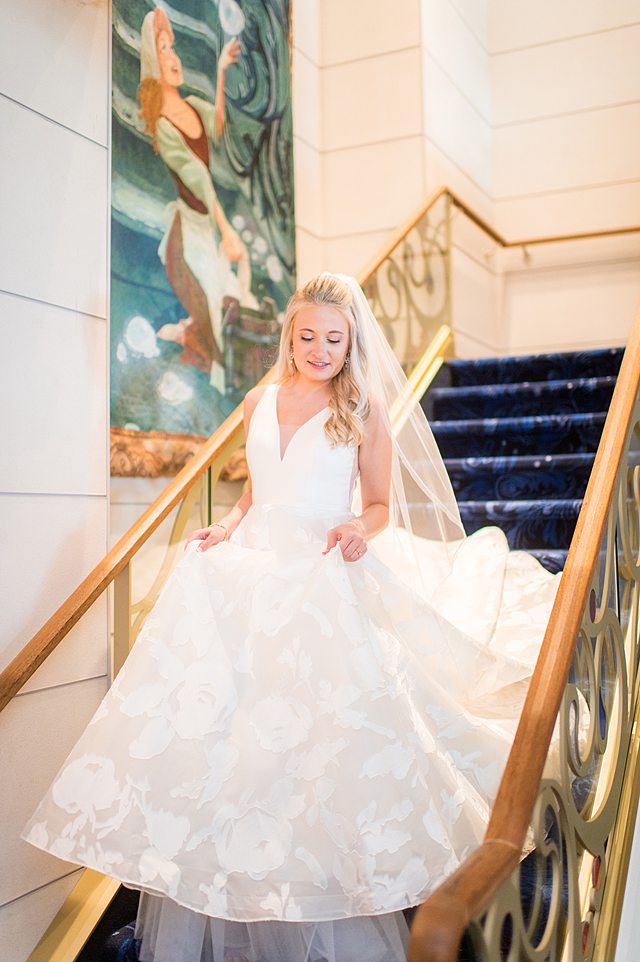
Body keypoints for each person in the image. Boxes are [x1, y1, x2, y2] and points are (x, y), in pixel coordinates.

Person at [23, 274, 558, 962]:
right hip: (252, 573)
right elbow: (256, 494)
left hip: (321, 572)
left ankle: (320, 877)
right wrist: (226, 526)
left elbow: (378, 507)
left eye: (333, 339)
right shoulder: (258, 400)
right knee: (231, 731)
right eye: (307, 336)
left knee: (318, 730)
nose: (319, 349)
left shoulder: (361, 407)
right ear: (289, 336)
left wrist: (361, 532)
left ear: (350, 342)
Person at [137, 7, 258, 393]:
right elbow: (200, 180)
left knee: (229, 298)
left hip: (208, 224)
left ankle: (192, 338)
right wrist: (227, 232)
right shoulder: (162, 125)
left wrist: (221, 72)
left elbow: (218, 126)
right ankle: (202, 349)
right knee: (212, 296)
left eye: (172, 47)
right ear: (153, 61)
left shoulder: (191, 104)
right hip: (190, 230)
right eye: (163, 49)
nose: (173, 57)